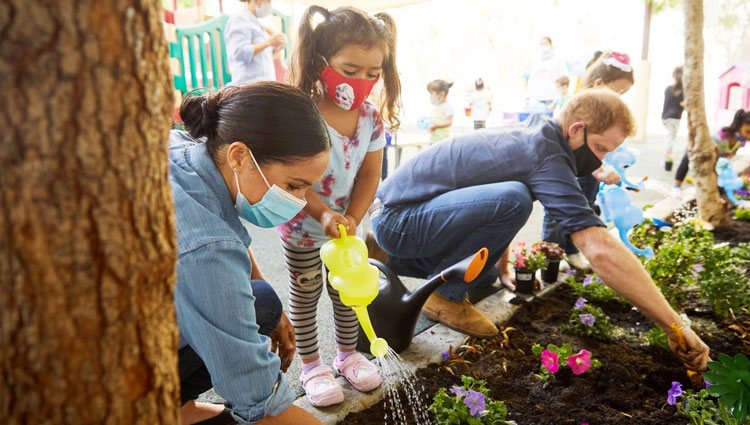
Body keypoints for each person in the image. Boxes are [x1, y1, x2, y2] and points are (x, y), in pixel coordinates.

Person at [367, 89, 710, 374]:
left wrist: (499, 264)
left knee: (486, 268)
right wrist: (673, 323)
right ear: (576, 129)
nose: (601, 161)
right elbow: (599, 248)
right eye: (601, 149)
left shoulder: (537, 132)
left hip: (407, 209)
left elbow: (480, 188)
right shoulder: (547, 155)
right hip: (399, 218)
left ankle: (392, 256)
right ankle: (446, 296)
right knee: (514, 200)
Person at [170, 83, 329, 425]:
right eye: (293, 186)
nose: (300, 202)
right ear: (240, 155)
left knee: (263, 301)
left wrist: (265, 294)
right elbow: (264, 407)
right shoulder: (206, 248)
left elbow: (230, 240)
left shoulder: (186, 150)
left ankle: (175, 406)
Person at [281, 5, 401, 407]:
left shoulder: (371, 119)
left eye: (372, 73)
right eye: (350, 70)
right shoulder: (303, 114)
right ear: (321, 62)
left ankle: (348, 356)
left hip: (345, 232)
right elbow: (295, 178)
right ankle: (313, 365)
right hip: (302, 226)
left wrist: (351, 215)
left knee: (352, 293)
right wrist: (323, 213)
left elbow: (370, 175)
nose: (362, 82)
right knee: (306, 293)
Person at [674, 109, 750, 189]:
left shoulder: (741, 142)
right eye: (747, 132)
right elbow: (712, 150)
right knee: (686, 160)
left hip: (715, 157)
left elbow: (730, 154)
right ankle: (676, 187)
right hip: (699, 146)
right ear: (737, 126)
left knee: (713, 175)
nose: (749, 136)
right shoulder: (723, 135)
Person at [225, 0, 287, 85]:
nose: (269, 4)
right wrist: (268, 42)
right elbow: (238, 52)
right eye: (268, 1)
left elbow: (259, 57)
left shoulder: (257, 23)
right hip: (248, 86)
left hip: (264, 85)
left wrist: (275, 48)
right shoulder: (239, 19)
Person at [526, 36, 568, 107]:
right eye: (542, 44)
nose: (543, 46)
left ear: (550, 44)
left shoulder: (557, 58)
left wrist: (562, 93)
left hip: (553, 95)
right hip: (539, 96)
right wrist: (528, 95)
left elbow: (563, 76)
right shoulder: (537, 59)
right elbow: (532, 78)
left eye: (545, 43)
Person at [662, 66, 685, 169]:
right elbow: (684, 104)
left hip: (665, 117)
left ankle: (666, 159)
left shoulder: (668, 89)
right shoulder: (683, 91)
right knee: (671, 139)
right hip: (674, 118)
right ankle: (666, 160)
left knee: (670, 138)